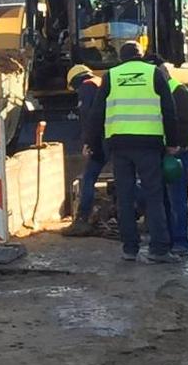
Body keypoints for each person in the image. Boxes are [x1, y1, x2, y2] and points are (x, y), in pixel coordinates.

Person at [89, 41, 179, 263]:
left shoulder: (111, 75)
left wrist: (92, 142)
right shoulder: (154, 73)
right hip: (149, 144)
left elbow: (96, 113)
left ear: (121, 57)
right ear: (141, 56)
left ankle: (130, 248)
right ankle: (158, 249)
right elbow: (169, 110)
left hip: (119, 145)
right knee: (154, 196)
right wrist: (173, 142)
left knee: (125, 197)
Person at [152, 57, 188, 256]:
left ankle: (180, 241)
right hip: (164, 151)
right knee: (165, 199)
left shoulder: (177, 91)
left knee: (177, 199)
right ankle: (169, 239)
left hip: (178, 152)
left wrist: (177, 146)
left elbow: (186, 123)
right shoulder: (163, 90)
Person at [62, 64, 105, 237]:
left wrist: (88, 142)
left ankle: (82, 220)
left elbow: (89, 116)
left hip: (101, 139)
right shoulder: (100, 82)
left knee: (88, 177)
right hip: (115, 135)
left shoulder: (87, 87)